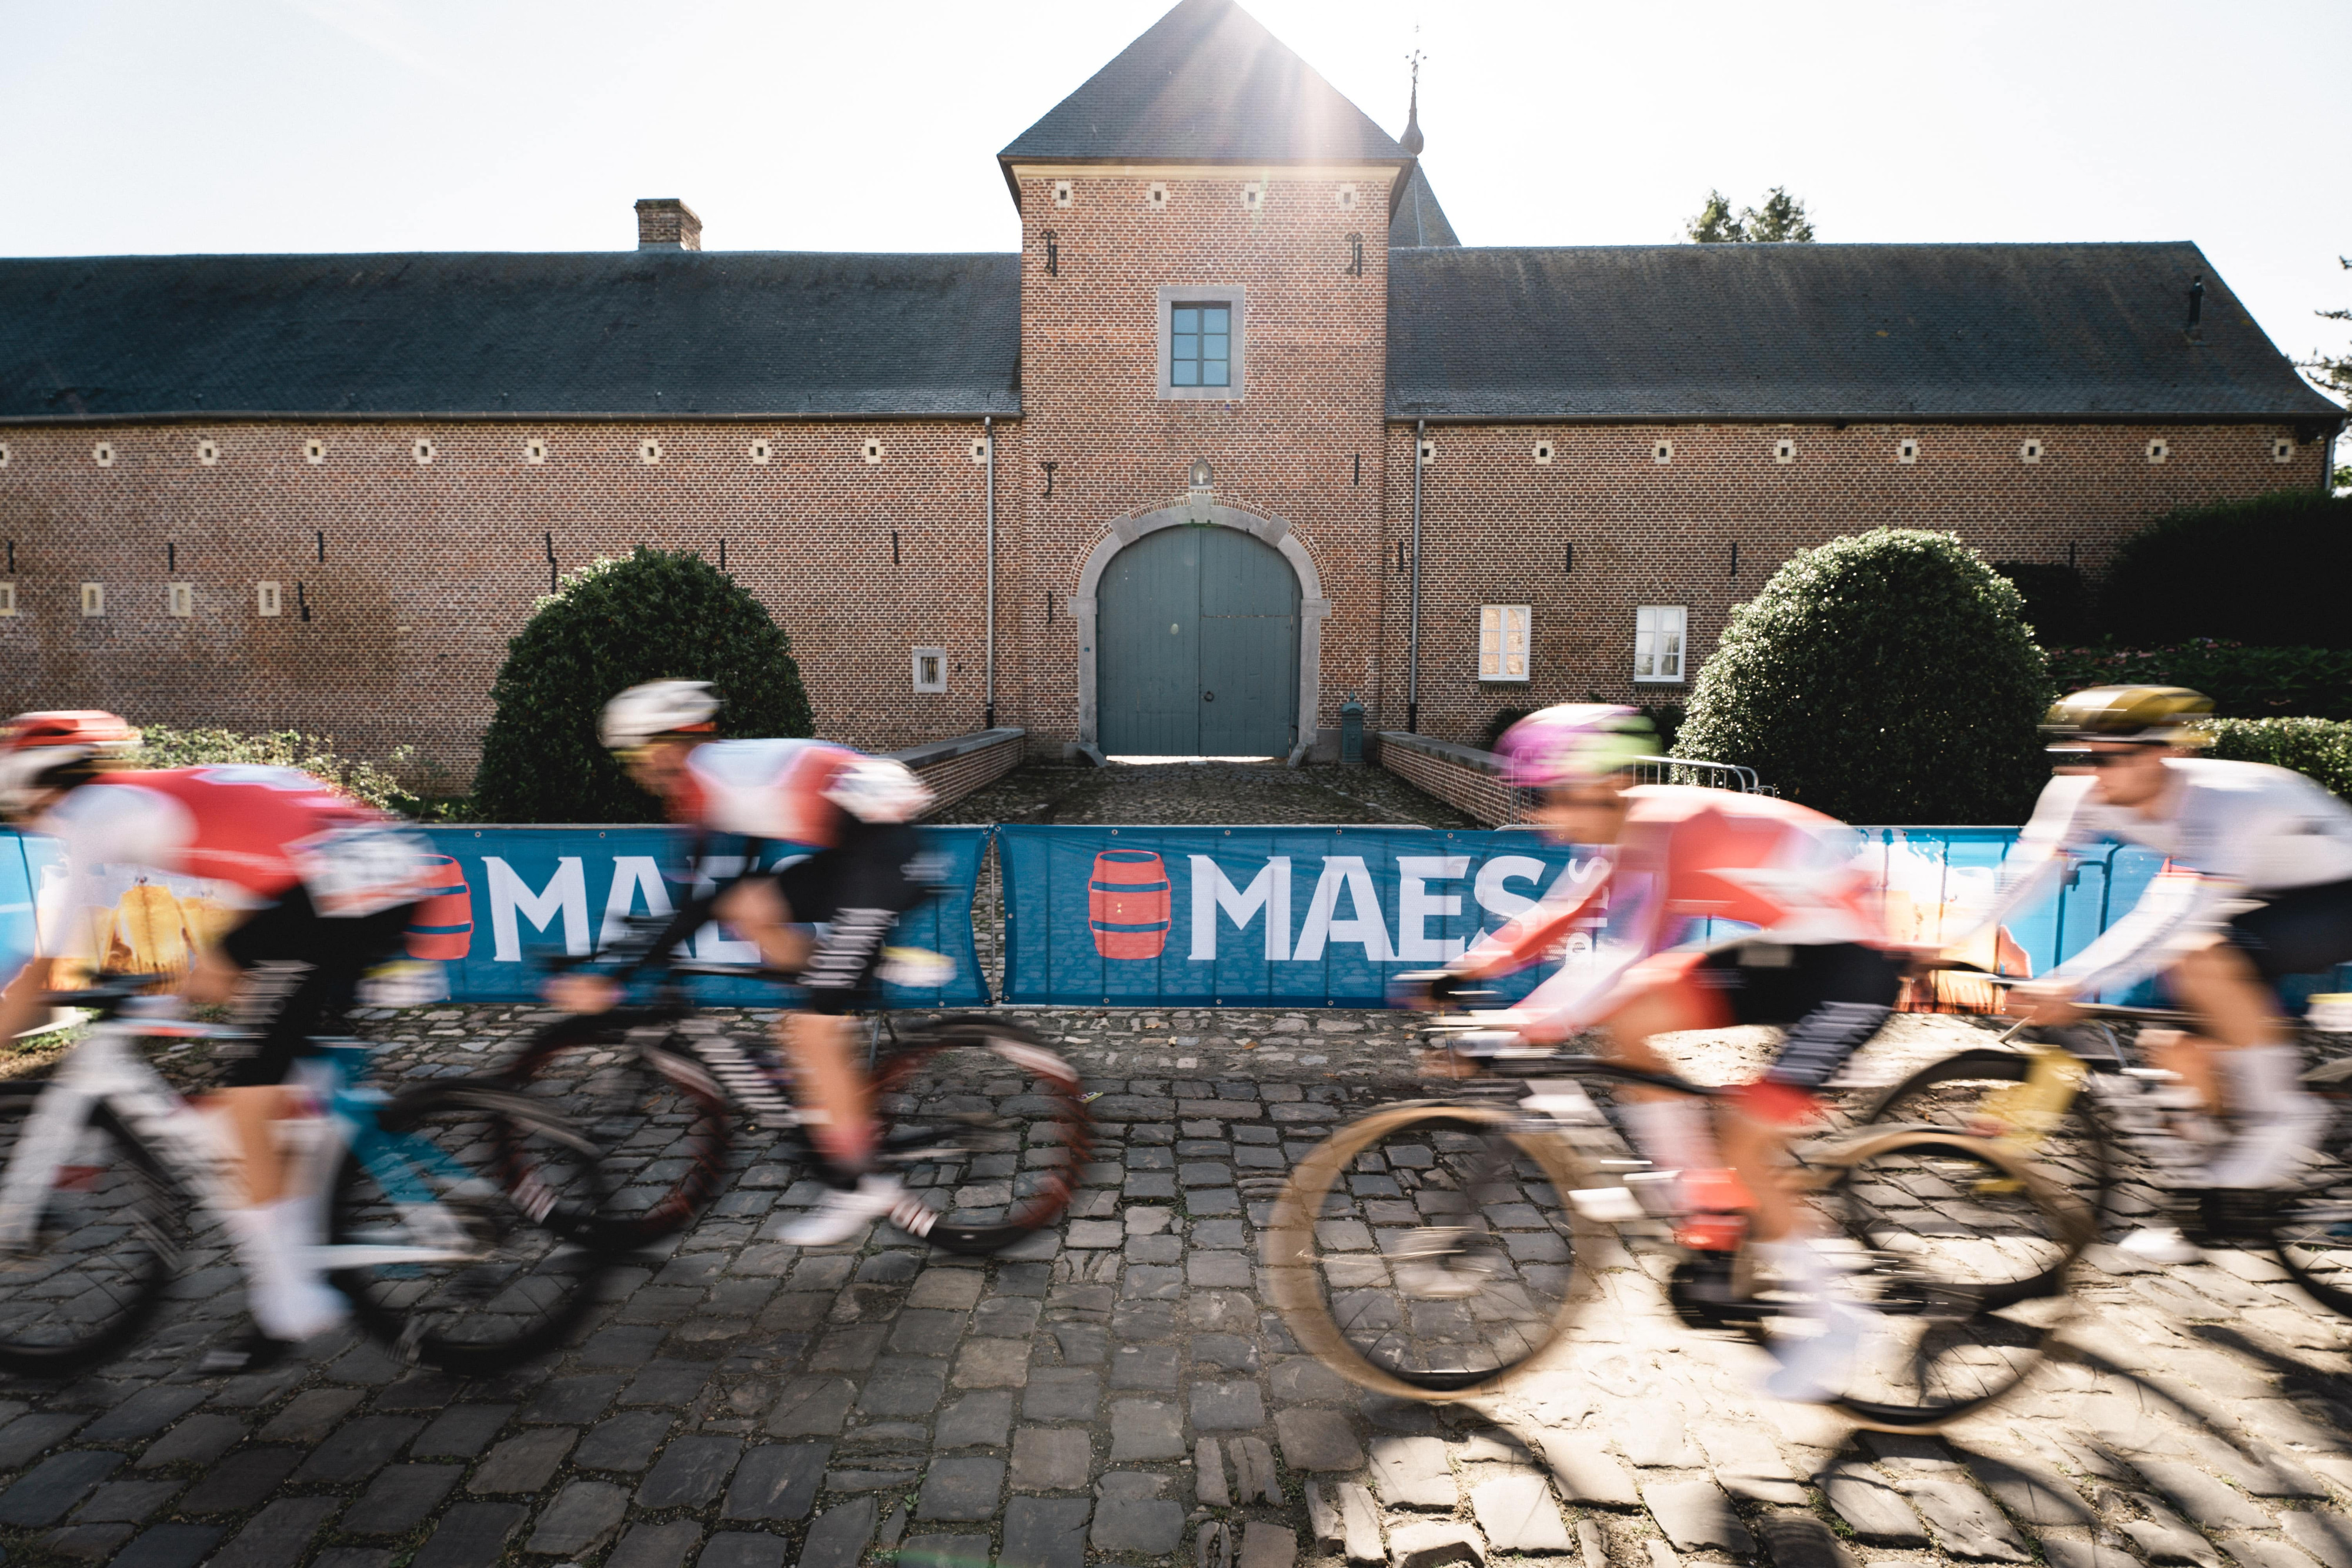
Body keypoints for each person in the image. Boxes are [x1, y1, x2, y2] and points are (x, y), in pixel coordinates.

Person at [1396, 704, 1903, 1401]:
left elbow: (1628, 949)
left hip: (1854, 964)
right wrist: (1460, 974)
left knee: (1744, 1138)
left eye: (1547, 796)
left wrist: (1517, 1027)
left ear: (1605, 785)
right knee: (1635, 1022)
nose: (1542, 817)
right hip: (1792, 948)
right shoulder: (1623, 833)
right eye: (1529, 798)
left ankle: (1841, 1319)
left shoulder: (1667, 826)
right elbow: (1560, 917)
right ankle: (1708, 1203)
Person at [0, 711, 433, 1371]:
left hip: (337, 887)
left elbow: (47, 969)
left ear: (32, 783)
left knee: (244, 1093)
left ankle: (292, 1300)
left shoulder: (92, 812)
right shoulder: (140, 796)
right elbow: (213, 946)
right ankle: (311, 1168)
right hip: (367, 872)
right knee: (226, 983)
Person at [559, 680, 939, 1246]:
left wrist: (612, 975)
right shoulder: (718, 778)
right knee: (750, 906)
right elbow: (726, 890)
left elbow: (692, 903)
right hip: (857, 850)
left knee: (810, 1031)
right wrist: (634, 955)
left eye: (632, 756)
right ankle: (832, 1001)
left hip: (884, 858)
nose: (632, 770)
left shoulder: (707, 780)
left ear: (665, 747)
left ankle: (863, 1183)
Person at [1970, 687, 2352, 1237]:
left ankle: (2283, 1117)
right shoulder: (2085, 790)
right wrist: (1946, 940)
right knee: (2171, 1049)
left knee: (2199, 956)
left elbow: (2172, 914)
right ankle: (2214, 1205)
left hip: (2333, 895)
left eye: (2104, 758)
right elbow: (2029, 869)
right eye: (2073, 756)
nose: (2087, 773)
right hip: (2254, 890)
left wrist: (2074, 981)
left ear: (2163, 755)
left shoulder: (2225, 801)